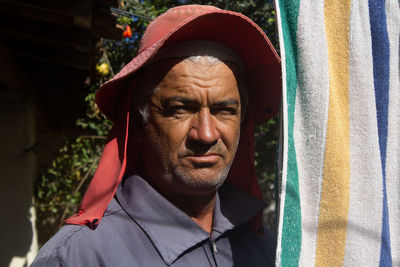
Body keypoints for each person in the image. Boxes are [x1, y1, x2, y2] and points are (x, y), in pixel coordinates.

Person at [31, 4, 281, 266]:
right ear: (138, 124)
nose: (206, 134)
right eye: (180, 110)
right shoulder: (79, 258)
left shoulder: (263, 247)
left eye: (224, 110)